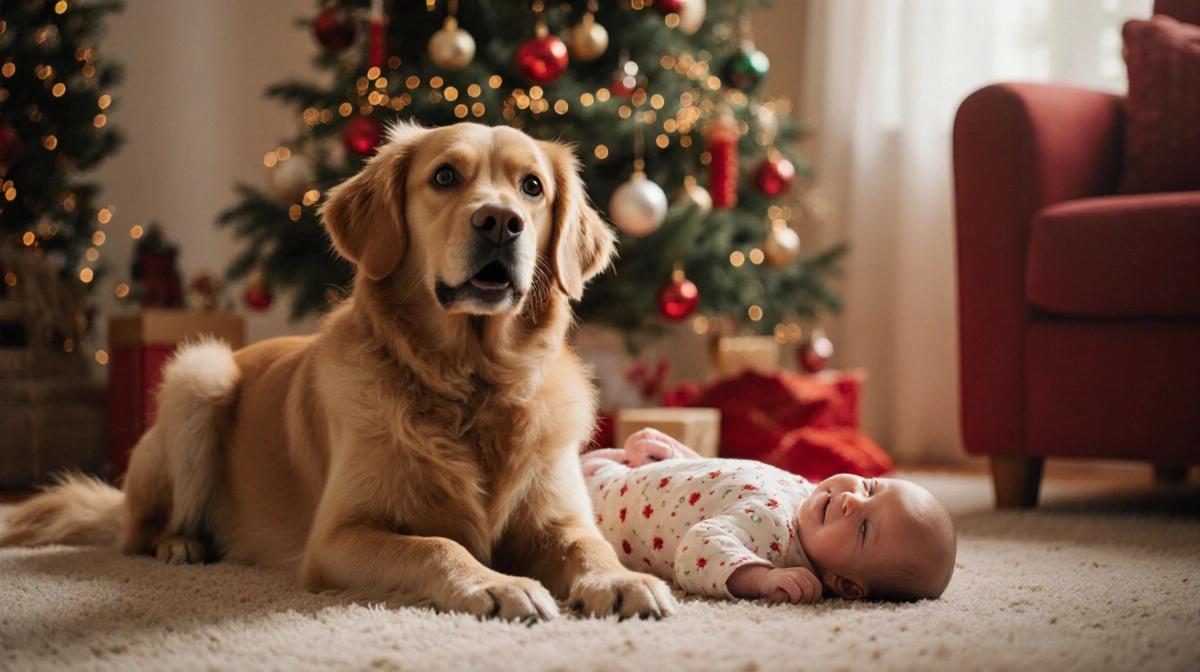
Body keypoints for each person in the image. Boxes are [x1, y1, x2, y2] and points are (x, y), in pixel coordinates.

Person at [582, 429, 957, 604]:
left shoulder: (774, 546)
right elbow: (727, 481)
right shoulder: (810, 496)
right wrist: (683, 461)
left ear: (844, 585)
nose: (852, 501)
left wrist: (761, 579)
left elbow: (696, 551)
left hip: (592, 509)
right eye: (870, 488)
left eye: (863, 528)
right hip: (623, 469)